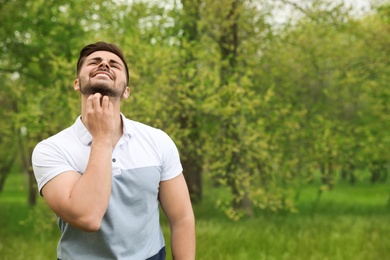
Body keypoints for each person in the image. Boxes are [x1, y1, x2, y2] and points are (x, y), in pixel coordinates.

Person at [32, 42, 196, 260]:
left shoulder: (158, 140)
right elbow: (87, 217)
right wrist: (102, 137)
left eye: (114, 64)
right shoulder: (51, 150)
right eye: (94, 62)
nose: (104, 64)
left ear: (126, 91)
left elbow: (182, 218)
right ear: (77, 84)